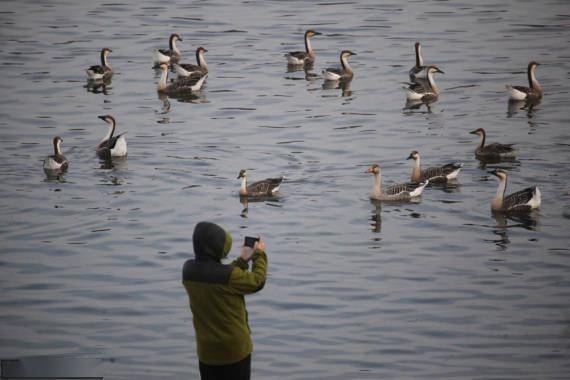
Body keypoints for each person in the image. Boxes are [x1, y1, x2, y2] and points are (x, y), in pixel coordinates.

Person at [182, 221, 268, 380]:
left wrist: (242, 260)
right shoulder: (230, 277)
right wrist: (259, 254)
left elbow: (219, 274)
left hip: (207, 354)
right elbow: (257, 281)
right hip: (234, 353)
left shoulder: (188, 271)